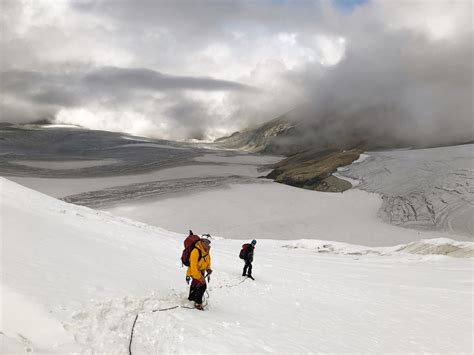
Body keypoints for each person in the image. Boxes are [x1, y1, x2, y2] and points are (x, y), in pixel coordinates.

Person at [187, 236, 212, 310]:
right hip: (194, 271)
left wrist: (208, 269)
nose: (207, 243)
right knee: (202, 286)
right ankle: (198, 303)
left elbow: (207, 261)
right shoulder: (196, 251)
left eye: (208, 242)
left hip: (201, 271)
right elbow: (193, 266)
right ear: (201, 241)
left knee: (195, 284)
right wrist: (199, 276)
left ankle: (191, 298)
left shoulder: (206, 251)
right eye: (205, 241)